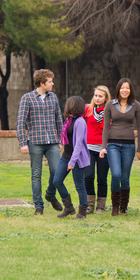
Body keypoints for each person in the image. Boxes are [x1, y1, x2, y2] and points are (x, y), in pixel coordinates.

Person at [16, 69, 64, 215]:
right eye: (50, 81)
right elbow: (20, 121)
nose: (52, 83)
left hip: (52, 143)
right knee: (36, 175)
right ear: (42, 83)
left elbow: (59, 119)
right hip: (35, 142)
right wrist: (23, 143)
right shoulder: (27, 98)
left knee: (57, 171)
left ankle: (50, 194)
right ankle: (39, 206)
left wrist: (61, 139)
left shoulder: (53, 97)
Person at [100, 78, 140, 216]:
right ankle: (114, 206)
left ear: (131, 90)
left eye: (128, 88)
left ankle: (123, 207)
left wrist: (139, 149)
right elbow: (106, 127)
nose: (125, 90)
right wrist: (103, 146)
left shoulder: (136, 105)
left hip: (129, 146)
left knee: (125, 177)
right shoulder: (110, 105)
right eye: (123, 88)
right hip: (113, 145)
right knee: (116, 175)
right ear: (118, 89)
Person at [54, 96, 90, 219]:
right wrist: (60, 143)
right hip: (66, 156)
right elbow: (66, 136)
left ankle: (82, 212)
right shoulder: (69, 120)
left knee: (79, 185)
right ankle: (69, 207)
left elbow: (79, 144)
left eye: (68, 104)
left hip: (77, 158)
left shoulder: (80, 121)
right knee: (57, 181)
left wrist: (73, 161)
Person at [84, 85, 111, 214]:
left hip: (103, 149)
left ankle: (100, 206)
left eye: (100, 96)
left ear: (106, 98)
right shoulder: (88, 109)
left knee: (102, 178)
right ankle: (90, 204)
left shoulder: (110, 111)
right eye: (96, 95)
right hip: (88, 148)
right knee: (88, 176)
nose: (97, 98)